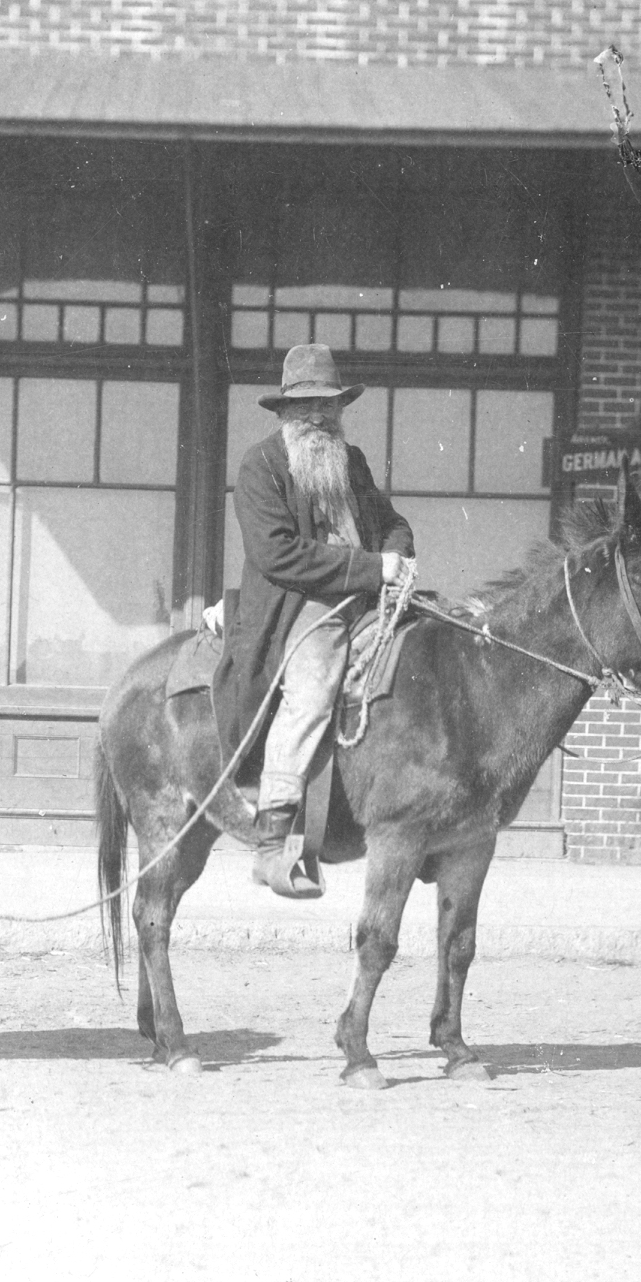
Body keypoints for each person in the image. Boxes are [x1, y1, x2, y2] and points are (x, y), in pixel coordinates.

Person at [213, 344, 414, 898]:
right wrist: (375, 566)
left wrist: (395, 556)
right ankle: (273, 842)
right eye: (306, 408)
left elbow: (392, 522)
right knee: (312, 685)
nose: (320, 417)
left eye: (329, 405)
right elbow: (278, 556)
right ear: (284, 413)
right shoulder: (260, 466)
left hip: (369, 595)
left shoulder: (351, 461)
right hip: (298, 604)